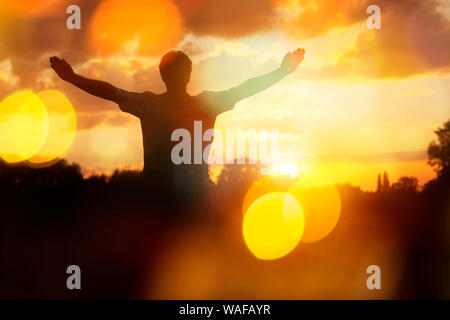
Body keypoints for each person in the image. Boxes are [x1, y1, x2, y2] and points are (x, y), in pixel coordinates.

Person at [50, 48, 305, 208]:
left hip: (157, 200)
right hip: (195, 201)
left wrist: (72, 78)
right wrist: (281, 72)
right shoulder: (206, 104)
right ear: (189, 76)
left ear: (163, 76)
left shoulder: (147, 104)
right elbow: (246, 88)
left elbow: (109, 91)